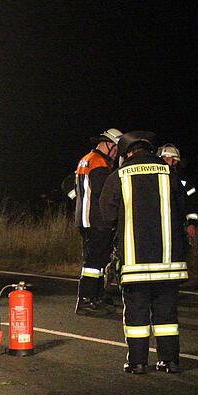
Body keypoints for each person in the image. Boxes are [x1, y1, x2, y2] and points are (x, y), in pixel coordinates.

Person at [96, 131, 188, 374]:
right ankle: (171, 361)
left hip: (134, 262)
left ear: (128, 153)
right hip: (169, 262)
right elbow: (183, 208)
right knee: (167, 315)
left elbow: (107, 215)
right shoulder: (169, 173)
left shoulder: (118, 176)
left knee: (137, 314)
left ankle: (137, 362)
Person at [73, 128, 122, 315]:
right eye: (115, 148)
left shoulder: (86, 159)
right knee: (94, 263)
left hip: (85, 219)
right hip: (97, 221)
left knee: (98, 261)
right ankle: (86, 300)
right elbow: (105, 194)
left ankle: (96, 296)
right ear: (108, 144)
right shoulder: (99, 164)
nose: (116, 153)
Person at [157, 143, 198, 248]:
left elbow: (192, 202)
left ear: (175, 161)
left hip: (178, 225)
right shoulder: (155, 179)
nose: (165, 162)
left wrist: (192, 223)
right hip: (158, 226)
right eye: (163, 159)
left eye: (168, 159)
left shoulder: (184, 181)